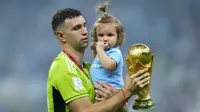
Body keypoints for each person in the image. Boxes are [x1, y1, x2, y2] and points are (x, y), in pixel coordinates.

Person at [47, 7, 150, 112]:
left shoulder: (89, 69)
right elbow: (85, 111)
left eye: (84, 25)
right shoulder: (63, 67)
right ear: (61, 36)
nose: (85, 31)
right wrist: (126, 92)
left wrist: (116, 98)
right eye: (77, 28)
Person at [89, 1, 127, 111]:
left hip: (111, 95)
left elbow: (109, 65)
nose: (105, 38)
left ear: (118, 37)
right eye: (101, 35)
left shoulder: (115, 53)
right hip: (100, 95)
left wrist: (99, 49)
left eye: (110, 35)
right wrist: (96, 48)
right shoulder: (103, 52)